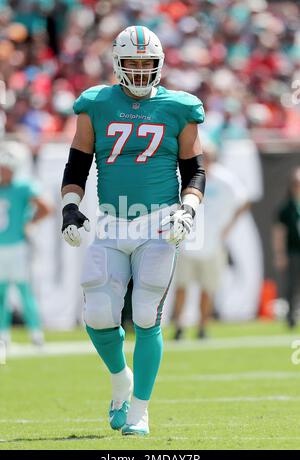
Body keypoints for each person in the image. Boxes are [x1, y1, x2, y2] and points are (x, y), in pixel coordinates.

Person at [61, 25, 206, 436]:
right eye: (133, 64)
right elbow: (77, 164)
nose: (141, 72)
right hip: (110, 219)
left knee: (145, 313)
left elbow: (194, 169)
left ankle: (139, 409)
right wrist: (71, 208)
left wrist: (189, 210)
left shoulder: (179, 106)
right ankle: (119, 378)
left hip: (159, 221)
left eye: (147, 64)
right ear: (117, 65)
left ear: (159, 64)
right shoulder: (97, 103)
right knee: (98, 313)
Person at [173, 139, 249, 339]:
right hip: (187, 242)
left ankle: (202, 327)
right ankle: (179, 326)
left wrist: (226, 228)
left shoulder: (225, 179)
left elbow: (243, 201)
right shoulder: (186, 176)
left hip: (212, 244)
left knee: (208, 288)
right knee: (182, 286)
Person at [0, 148, 52, 346]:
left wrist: (30, 223)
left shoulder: (22, 186)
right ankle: (3, 334)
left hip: (18, 246)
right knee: (1, 292)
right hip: (1, 246)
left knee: (24, 290)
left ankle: (36, 332)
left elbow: (46, 207)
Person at [273, 167, 300, 328]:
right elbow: (279, 233)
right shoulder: (285, 208)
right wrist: (280, 254)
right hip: (293, 251)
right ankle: (291, 317)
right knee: (291, 284)